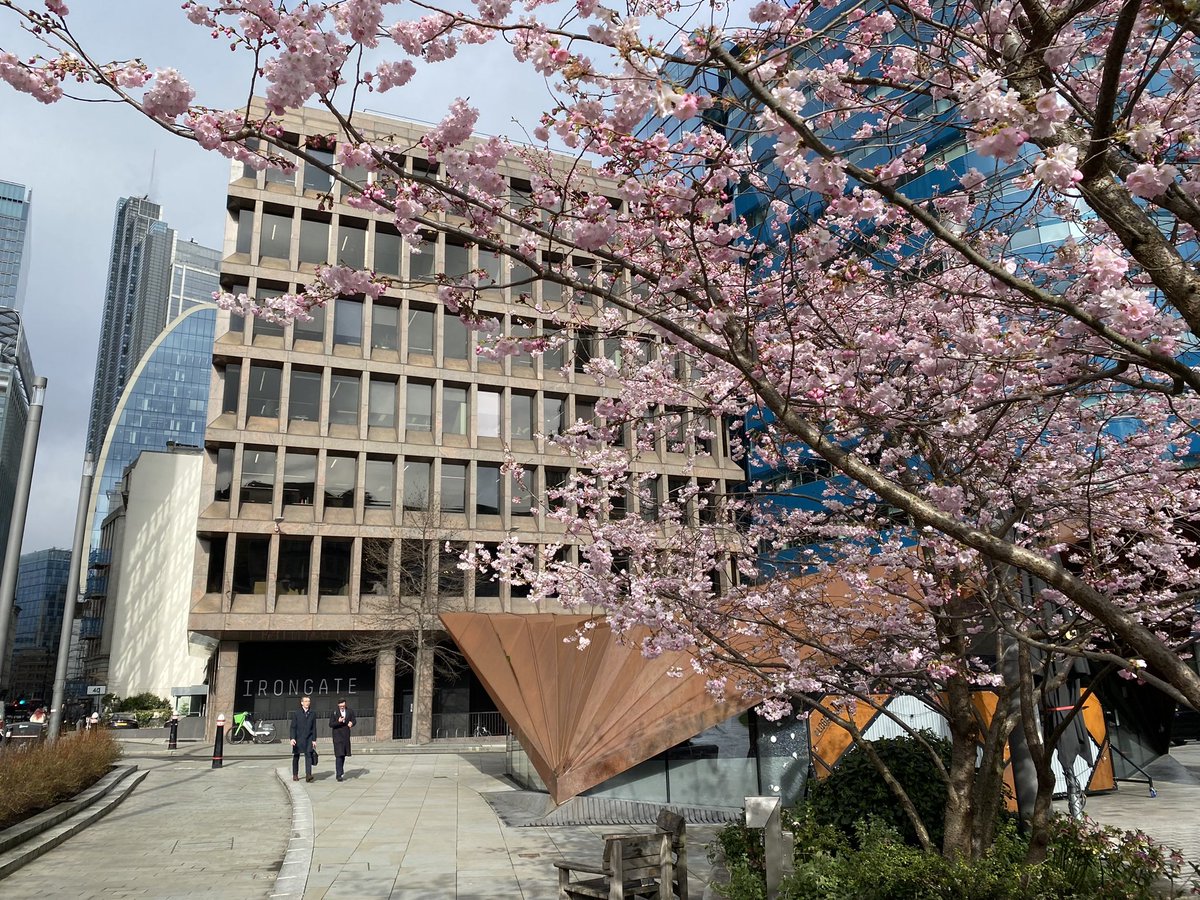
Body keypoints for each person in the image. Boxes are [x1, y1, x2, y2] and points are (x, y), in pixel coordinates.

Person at [289, 695, 318, 782]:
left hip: (308, 738)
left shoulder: (312, 713)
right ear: (302, 703)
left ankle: (308, 775)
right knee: (296, 756)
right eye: (305, 701)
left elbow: (314, 727)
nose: (307, 703)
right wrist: (292, 738)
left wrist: (314, 740)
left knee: (308, 755)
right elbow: (293, 727)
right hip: (298, 738)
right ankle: (295, 774)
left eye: (308, 701)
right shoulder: (297, 713)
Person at [328, 697, 356, 782]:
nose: (342, 707)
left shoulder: (350, 711)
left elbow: (354, 720)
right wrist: (338, 721)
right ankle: (338, 774)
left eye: (343, 706)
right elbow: (331, 724)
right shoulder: (334, 712)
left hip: (346, 736)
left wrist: (352, 723)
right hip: (337, 736)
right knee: (339, 755)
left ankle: (341, 770)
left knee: (343, 754)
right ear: (338, 705)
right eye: (340, 706)